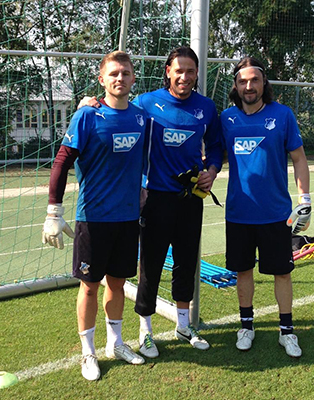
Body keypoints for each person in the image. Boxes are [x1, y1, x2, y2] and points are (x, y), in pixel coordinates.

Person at [77, 46, 222, 359]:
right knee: (151, 265)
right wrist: (88, 104)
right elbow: (116, 109)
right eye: (178, 70)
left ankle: (184, 325)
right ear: (168, 71)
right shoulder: (146, 103)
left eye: (191, 71)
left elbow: (216, 147)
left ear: (197, 75)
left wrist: (211, 170)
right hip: (152, 197)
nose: (185, 76)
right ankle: (146, 332)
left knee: (187, 262)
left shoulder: (206, 108)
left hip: (189, 198)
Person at [42, 51, 147, 381]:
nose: (120, 78)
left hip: (128, 218)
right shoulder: (87, 115)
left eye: (126, 73)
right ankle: (88, 351)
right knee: (89, 286)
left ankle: (115, 343)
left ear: (133, 78)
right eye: (113, 73)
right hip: (94, 218)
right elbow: (61, 163)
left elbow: (145, 160)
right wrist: (53, 211)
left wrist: (142, 186)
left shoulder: (142, 117)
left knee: (118, 283)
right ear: (102, 79)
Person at [220, 56, 311, 358]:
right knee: (243, 271)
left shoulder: (282, 115)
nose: (249, 85)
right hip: (239, 212)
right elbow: (206, 151)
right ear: (235, 85)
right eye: (243, 81)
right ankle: (246, 326)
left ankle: (287, 331)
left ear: (264, 83)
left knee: (282, 273)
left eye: (254, 80)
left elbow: (298, 158)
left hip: (276, 214)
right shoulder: (226, 119)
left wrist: (305, 199)